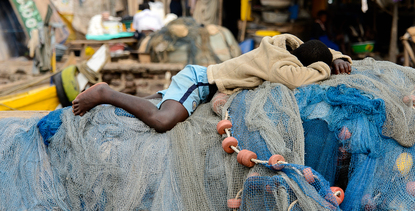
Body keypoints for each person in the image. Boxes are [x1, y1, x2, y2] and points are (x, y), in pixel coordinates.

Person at [72, 34, 352, 132]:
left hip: (200, 80)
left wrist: (338, 56)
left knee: (153, 105)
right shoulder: (280, 66)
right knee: (162, 121)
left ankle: (115, 95)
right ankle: (104, 92)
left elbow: (311, 46)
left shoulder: (284, 45)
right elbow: (298, 78)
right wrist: (324, 67)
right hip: (200, 82)